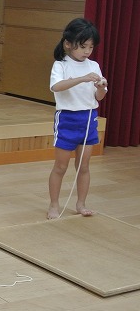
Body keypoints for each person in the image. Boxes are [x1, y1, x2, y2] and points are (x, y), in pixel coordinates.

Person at [47, 18, 107, 219]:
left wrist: (101, 88)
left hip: (88, 118)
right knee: (60, 166)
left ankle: (81, 204)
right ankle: (54, 205)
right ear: (68, 43)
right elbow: (56, 87)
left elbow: (99, 97)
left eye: (91, 47)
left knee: (84, 166)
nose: (87, 51)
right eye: (83, 46)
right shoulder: (61, 65)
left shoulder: (94, 65)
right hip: (67, 119)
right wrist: (82, 78)